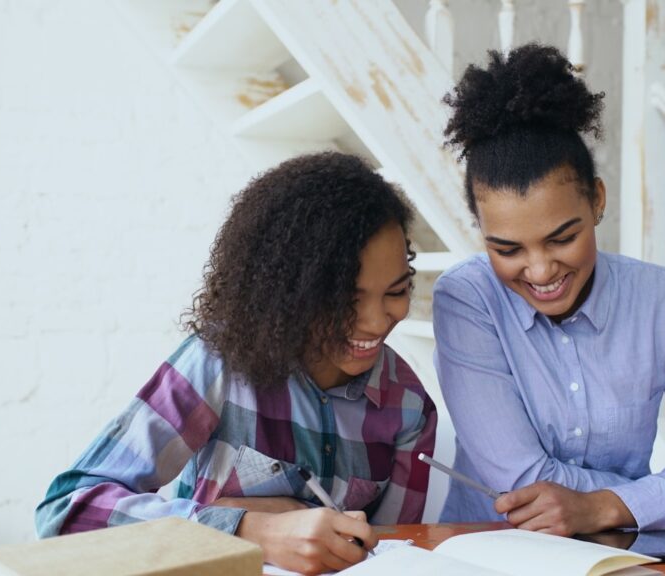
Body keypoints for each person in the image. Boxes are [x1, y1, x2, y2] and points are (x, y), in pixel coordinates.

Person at [35, 152, 437, 575]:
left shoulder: (409, 407)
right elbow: (66, 512)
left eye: (396, 292)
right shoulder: (219, 363)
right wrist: (247, 529)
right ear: (289, 290)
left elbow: (393, 555)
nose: (376, 321)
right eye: (346, 300)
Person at [433, 43, 665, 536]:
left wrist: (605, 507)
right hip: (489, 552)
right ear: (481, 229)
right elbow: (521, 481)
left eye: (563, 238)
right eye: (507, 249)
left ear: (597, 201)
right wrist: (655, 497)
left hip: (619, 554)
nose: (540, 270)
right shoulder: (466, 299)